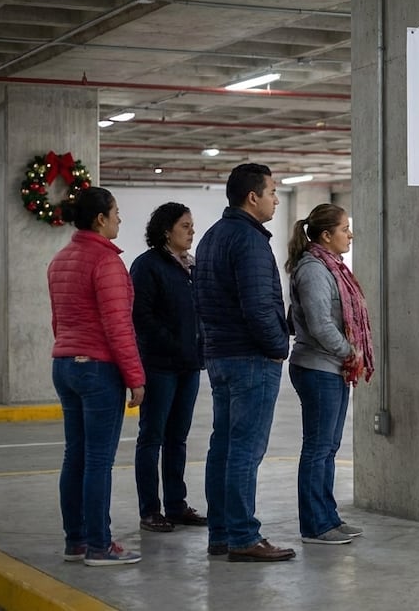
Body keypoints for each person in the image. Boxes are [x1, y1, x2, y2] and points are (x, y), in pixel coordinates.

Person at [194, 163, 294, 563]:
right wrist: (278, 346)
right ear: (252, 197)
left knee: (223, 446)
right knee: (245, 450)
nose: (275, 200)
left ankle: (221, 533)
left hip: (220, 355)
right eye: (271, 192)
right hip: (251, 357)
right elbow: (258, 305)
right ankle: (242, 536)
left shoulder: (212, 237)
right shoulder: (249, 241)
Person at [48, 186, 146, 566]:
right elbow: (118, 325)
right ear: (100, 219)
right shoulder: (106, 262)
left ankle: (75, 541)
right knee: (98, 460)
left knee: (75, 455)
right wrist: (135, 376)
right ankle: (99, 545)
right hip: (97, 369)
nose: (120, 218)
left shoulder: (60, 259)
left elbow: (58, 320)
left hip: (65, 365)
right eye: (116, 212)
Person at [285, 204, 374, 546]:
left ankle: (328, 517)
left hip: (332, 367)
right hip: (317, 367)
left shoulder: (332, 267)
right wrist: (351, 352)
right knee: (318, 448)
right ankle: (315, 526)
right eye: (344, 229)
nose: (350, 235)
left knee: (329, 447)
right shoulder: (313, 270)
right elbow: (320, 324)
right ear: (326, 235)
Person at [130, 202, 207, 533]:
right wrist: (174, 343)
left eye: (192, 226)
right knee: (152, 437)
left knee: (178, 438)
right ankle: (150, 510)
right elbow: (141, 317)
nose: (192, 231)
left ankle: (176, 505)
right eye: (185, 226)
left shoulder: (192, 267)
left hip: (189, 365)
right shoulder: (147, 266)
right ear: (166, 231)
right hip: (159, 365)